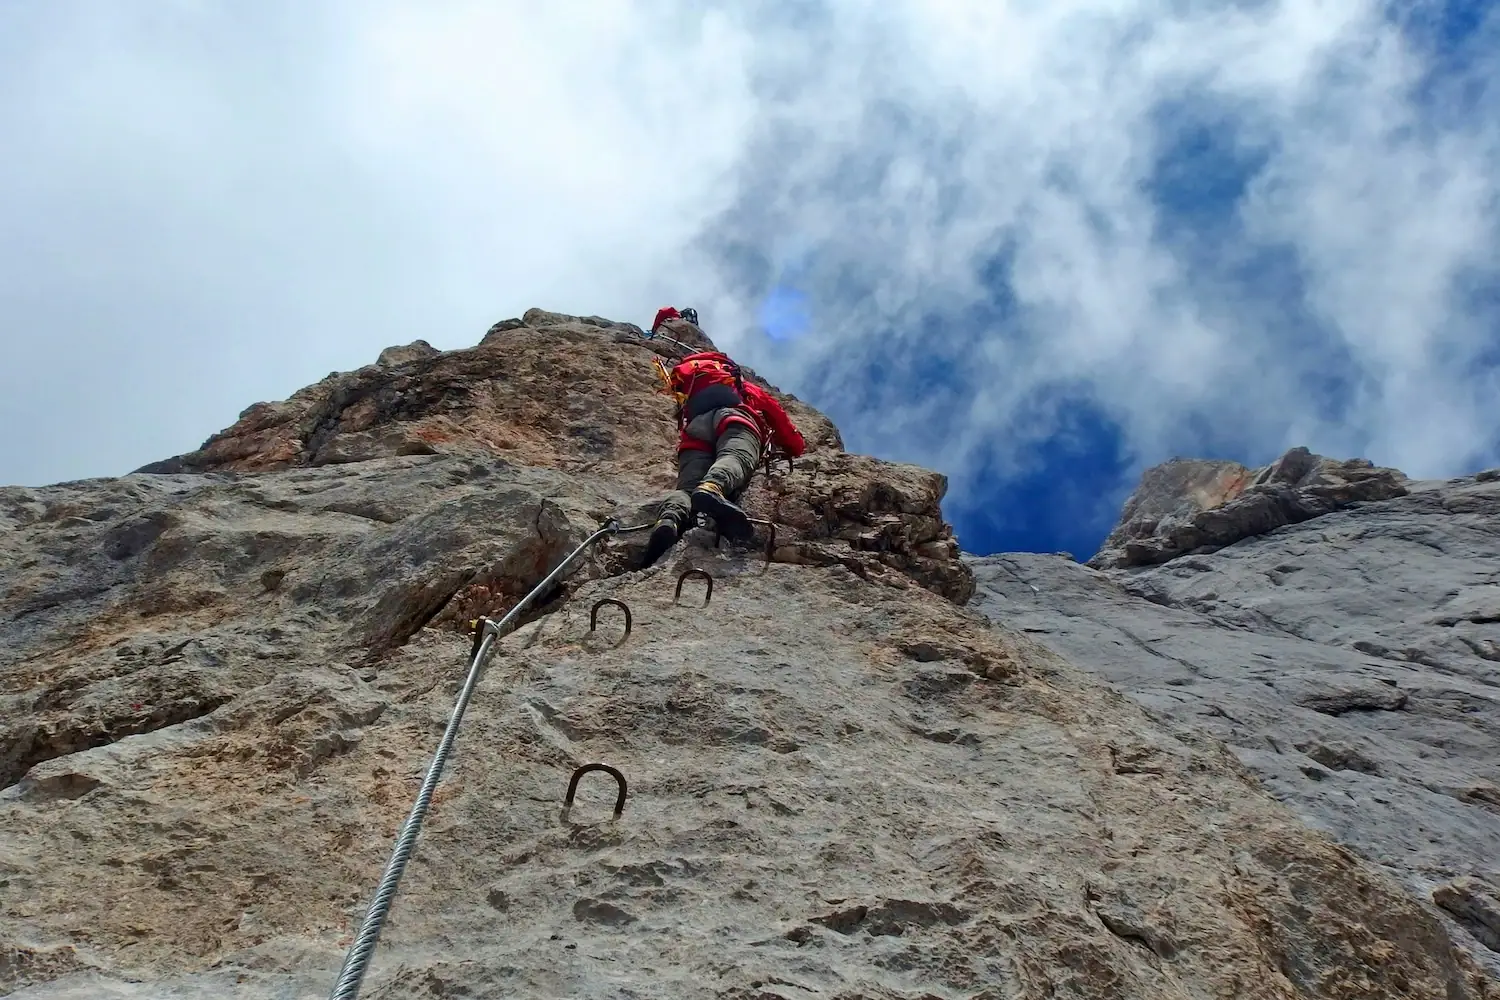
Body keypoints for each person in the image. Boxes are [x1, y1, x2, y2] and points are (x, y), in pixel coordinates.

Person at [642, 307, 806, 568]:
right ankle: (712, 488)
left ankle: (669, 520)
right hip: (733, 419)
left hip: (694, 429)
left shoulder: (690, 384)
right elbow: (778, 419)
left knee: (685, 488)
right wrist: (797, 447)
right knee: (735, 455)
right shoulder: (739, 384)